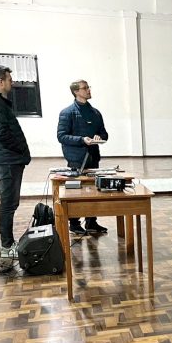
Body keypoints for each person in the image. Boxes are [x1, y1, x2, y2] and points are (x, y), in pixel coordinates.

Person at [0, 64, 31, 266]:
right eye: (10, 79)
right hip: (6, 160)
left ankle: (7, 244)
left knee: (10, 203)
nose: (13, 82)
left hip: (9, 159)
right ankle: (6, 246)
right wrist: (20, 149)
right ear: (0, 82)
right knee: (8, 204)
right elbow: (1, 134)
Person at [57, 80, 110, 235]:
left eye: (88, 87)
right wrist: (81, 140)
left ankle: (91, 222)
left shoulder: (95, 113)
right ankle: (74, 224)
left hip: (93, 157)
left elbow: (104, 133)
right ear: (76, 92)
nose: (88, 90)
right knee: (75, 191)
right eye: (85, 88)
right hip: (76, 158)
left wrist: (99, 137)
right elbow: (61, 136)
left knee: (94, 190)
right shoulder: (67, 112)